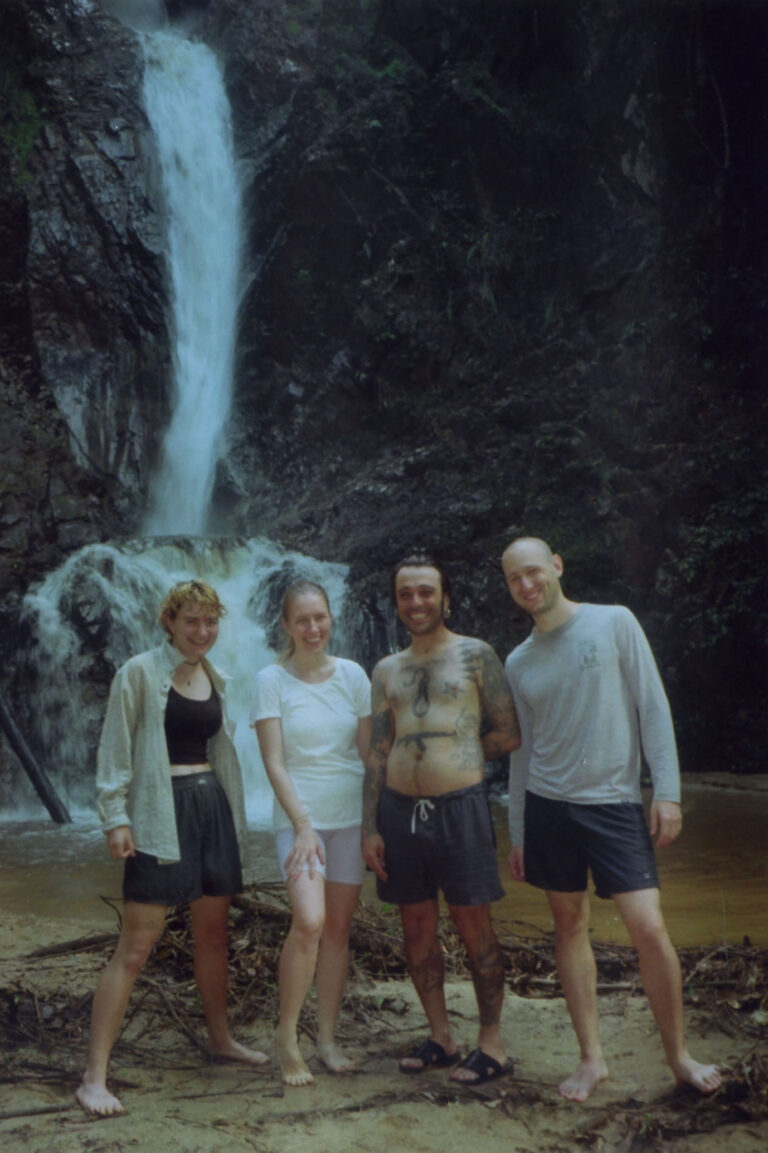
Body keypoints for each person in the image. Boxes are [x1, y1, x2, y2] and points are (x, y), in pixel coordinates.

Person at [501, 536, 722, 1102]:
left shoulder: (614, 622)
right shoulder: (518, 661)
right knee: (568, 925)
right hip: (548, 806)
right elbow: (523, 755)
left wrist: (666, 792)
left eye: (533, 571)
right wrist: (519, 831)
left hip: (613, 803)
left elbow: (653, 705)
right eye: (514, 579)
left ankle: (678, 1056)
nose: (526, 585)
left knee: (649, 928)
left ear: (556, 565)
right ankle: (591, 1058)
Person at [75, 580, 267, 1116]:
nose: (202, 632)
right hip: (161, 810)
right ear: (170, 623)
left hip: (211, 806)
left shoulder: (214, 675)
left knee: (213, 935)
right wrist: (115, 818)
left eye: (210, 622)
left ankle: (220, 1040)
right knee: (136, 945)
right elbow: (115, 748)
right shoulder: (138, 672)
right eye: (191, 621)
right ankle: (94, 1077)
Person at [362, 554, 520, 1084]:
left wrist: (457, 755)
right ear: (397, 602)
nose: (416, 602)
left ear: (446, 598)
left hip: (461, 808)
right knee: (415, 926)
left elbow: (507, 732)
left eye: (426, 592)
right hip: (399, 811)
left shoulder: (477, 655)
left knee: (474, 924)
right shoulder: (386, 669)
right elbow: (378, 752)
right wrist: (369, 827)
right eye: (405, 593)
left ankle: (492, 1044)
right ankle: (441, 1037)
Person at [251, 580, 371, 1087]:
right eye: (302, 620)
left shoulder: (353, 675)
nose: (313, 628)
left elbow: (367, 755)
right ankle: (286, 1037)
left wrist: (376, 823)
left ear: (330, 618)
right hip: (300, 821)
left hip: (349, 818)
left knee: (338, 930)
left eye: (319, 617)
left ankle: (325, 1039)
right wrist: (303, 825)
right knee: (309, 921)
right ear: (286, 625)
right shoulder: (271, 680)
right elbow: (274, 762)